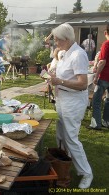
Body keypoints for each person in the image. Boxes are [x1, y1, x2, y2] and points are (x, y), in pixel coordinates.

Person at [49, 23, 93, 189]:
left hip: (73, 102)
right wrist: (53, 77)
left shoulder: (78, 54)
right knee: (60, 136)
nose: (55, 42)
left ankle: (86, 173)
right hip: (62, 100)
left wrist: (59, 81)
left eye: (57, 39)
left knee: (71, 139)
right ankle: (63, 168)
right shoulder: (65, 53)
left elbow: (82, 84)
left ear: (66, 39)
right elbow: (65, 76)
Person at [88, 24, 109, 129]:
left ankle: (96, 124)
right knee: (108, 100)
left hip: (104, 77)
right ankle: (106, 121)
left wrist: (96, 76)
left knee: (96, 101)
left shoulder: (106, 44)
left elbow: (102, 62)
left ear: (105, 33)